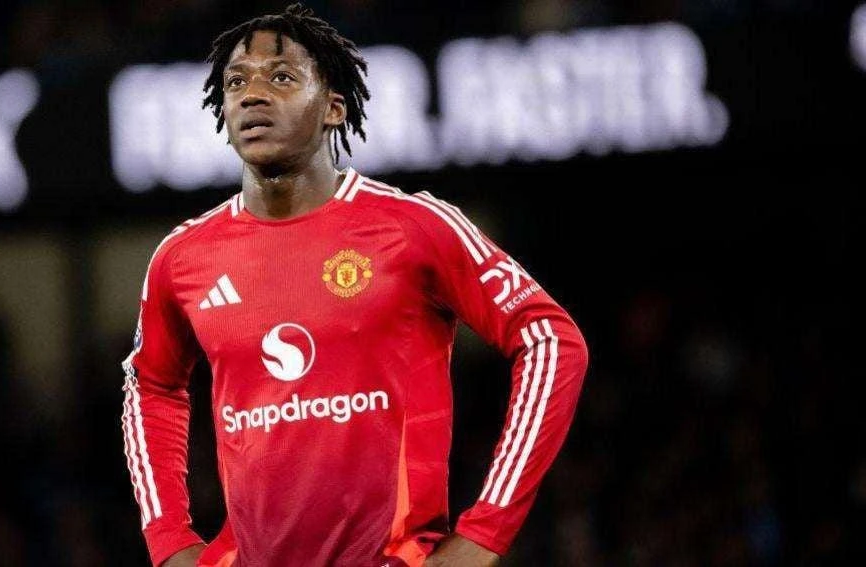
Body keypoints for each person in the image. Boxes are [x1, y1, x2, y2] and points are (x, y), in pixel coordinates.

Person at [121, 4, 589, 566]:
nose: (252, 95)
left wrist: (485, 532)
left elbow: (550, 340)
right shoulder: (183, 258)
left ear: (333, 108)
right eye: (237, 82)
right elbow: (151, 385)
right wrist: (169, 539)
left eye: (282, 77)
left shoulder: (413, 227)